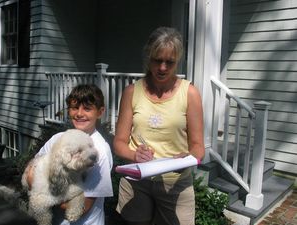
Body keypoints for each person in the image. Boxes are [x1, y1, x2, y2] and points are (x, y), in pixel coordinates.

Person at [113, 27, 205, 225]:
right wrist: (134, 155)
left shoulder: (190, 93)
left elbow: (198, 147)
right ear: (148, 56)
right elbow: (119, 142)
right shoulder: (131, 92)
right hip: (136, 182)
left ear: (177, 61)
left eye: (169, 62)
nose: (162, 67)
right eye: (157, 60)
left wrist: (187, 159)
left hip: (176, 185)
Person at [26, 84, 113, 225]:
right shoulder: (58, 139)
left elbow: (84, 207)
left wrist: (38, 190)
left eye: (87, 108)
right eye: (74, 107)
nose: (79, 113)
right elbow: (32, 169)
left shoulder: (99, 151)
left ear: (100, 112)